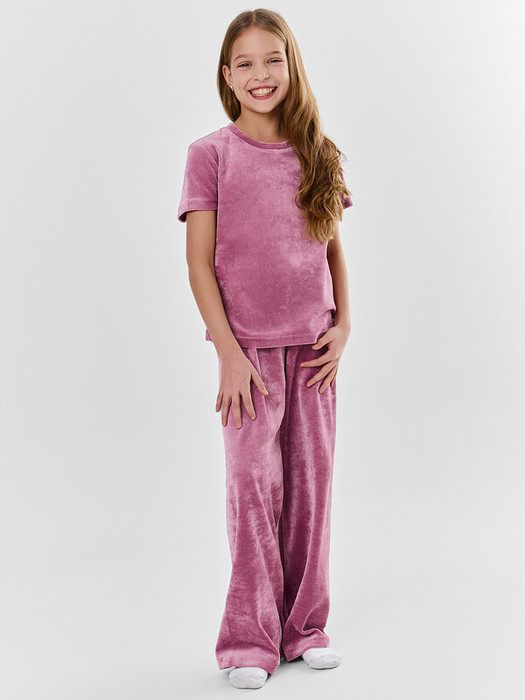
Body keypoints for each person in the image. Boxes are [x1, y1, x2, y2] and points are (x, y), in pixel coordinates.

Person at [177, 8, 354, 690]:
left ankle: (304, 628)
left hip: (313, 354)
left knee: (311, 492)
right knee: (252, 490)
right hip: (247, 357)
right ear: (227, 76)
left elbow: (332, 249)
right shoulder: (210, 155)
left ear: (291, 65)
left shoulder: (318, 152)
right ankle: (248, 641)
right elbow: (198, 263)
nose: (260, 74)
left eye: (272, 60)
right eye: (245, 63)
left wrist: (344, 325)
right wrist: (227, 352)